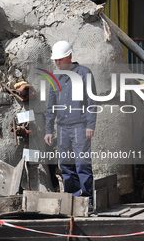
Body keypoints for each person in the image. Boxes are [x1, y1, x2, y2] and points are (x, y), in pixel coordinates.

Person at [44, 41, 96, 205]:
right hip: (62, 128)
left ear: (69, 56)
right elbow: (50, 105)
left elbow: (92, 101)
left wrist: (90, 125)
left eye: (60, 60)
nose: (57, 63)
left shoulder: (84, 73)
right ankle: (73, 201)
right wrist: (48, 130)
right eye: (56, 61)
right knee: (66, 166)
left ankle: (87, 201)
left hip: (80, 126)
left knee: (82, 165)